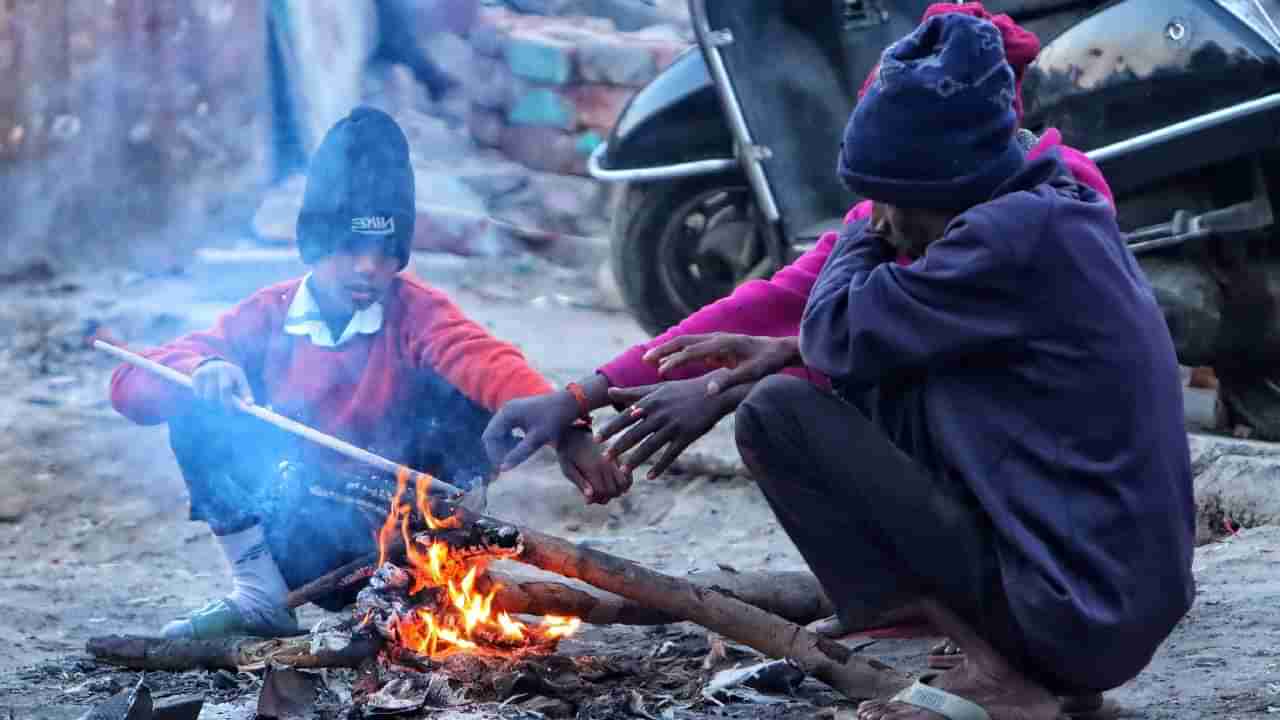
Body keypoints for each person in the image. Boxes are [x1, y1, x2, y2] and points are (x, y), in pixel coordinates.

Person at [480, 2, 1116, 683]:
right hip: (1016, 490)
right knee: (789, 399)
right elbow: (772, 304)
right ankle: (907, 605)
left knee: (792, 406)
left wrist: (723, 388)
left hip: (1068, 516)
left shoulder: (1043, 210)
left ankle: (1004, 631)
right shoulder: (897, 209)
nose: (876, 203)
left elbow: (897, 353)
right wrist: (583, 392)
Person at [686, 14, 1192, 718]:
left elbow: (832, 331)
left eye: (892, 200)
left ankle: (1004, 678)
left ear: (949, 182)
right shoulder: (1051, 212)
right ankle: (1053, 679)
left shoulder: (1005, 238)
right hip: (1108, 603)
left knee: (779, 415)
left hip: (1077, 614)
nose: (886, 221)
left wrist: (862, 229)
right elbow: (854, 342)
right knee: (891, 390)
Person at [110, 107, 599, 639]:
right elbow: (128, 388)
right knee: (196, 406)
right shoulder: (267, 315)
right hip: (298, 532)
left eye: (386, 252)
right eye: (350, 249)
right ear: (315, 247)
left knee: (472, 396)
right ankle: (260, 596)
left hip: (398, 534)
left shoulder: (417, 311)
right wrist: (204, 369)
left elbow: (486, 360)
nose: (369, 268)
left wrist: (566, 423)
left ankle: (431, 591)